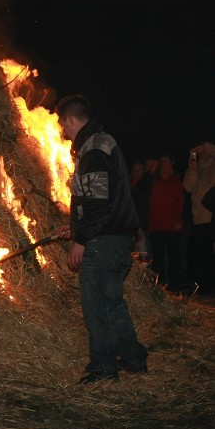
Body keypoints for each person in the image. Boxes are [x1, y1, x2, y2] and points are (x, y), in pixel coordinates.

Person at [56, 95, 147, 383]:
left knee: (97, 306)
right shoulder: (102, 142)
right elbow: (103, 201)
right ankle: (134, 359)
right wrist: (76, 227)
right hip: (115, 237)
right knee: (112, 304)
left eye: (62, 124)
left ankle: (104, 367)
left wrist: (81, 239)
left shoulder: (94, 149)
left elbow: (98, 203)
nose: (62, 130)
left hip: (103, 242)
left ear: (70, 120)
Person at [148, 155, 185, 291]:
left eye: (166, 161)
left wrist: (180, 220)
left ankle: (174, 289)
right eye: (162, 161)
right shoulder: (153, 181)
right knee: (158, 259)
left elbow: (182, 202)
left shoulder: (176, 181)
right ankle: (160, 289)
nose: (164, 164)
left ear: (172, 163)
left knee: (174, 258)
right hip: (156, 225)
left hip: (172, 225)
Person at [183, 142, 215, 295]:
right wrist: (193, 168)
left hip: (212, 217)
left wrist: (209, 148)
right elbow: (188, 187)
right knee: (201, 255)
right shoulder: (197, 170)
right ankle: (204, 286)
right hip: (199, 217)